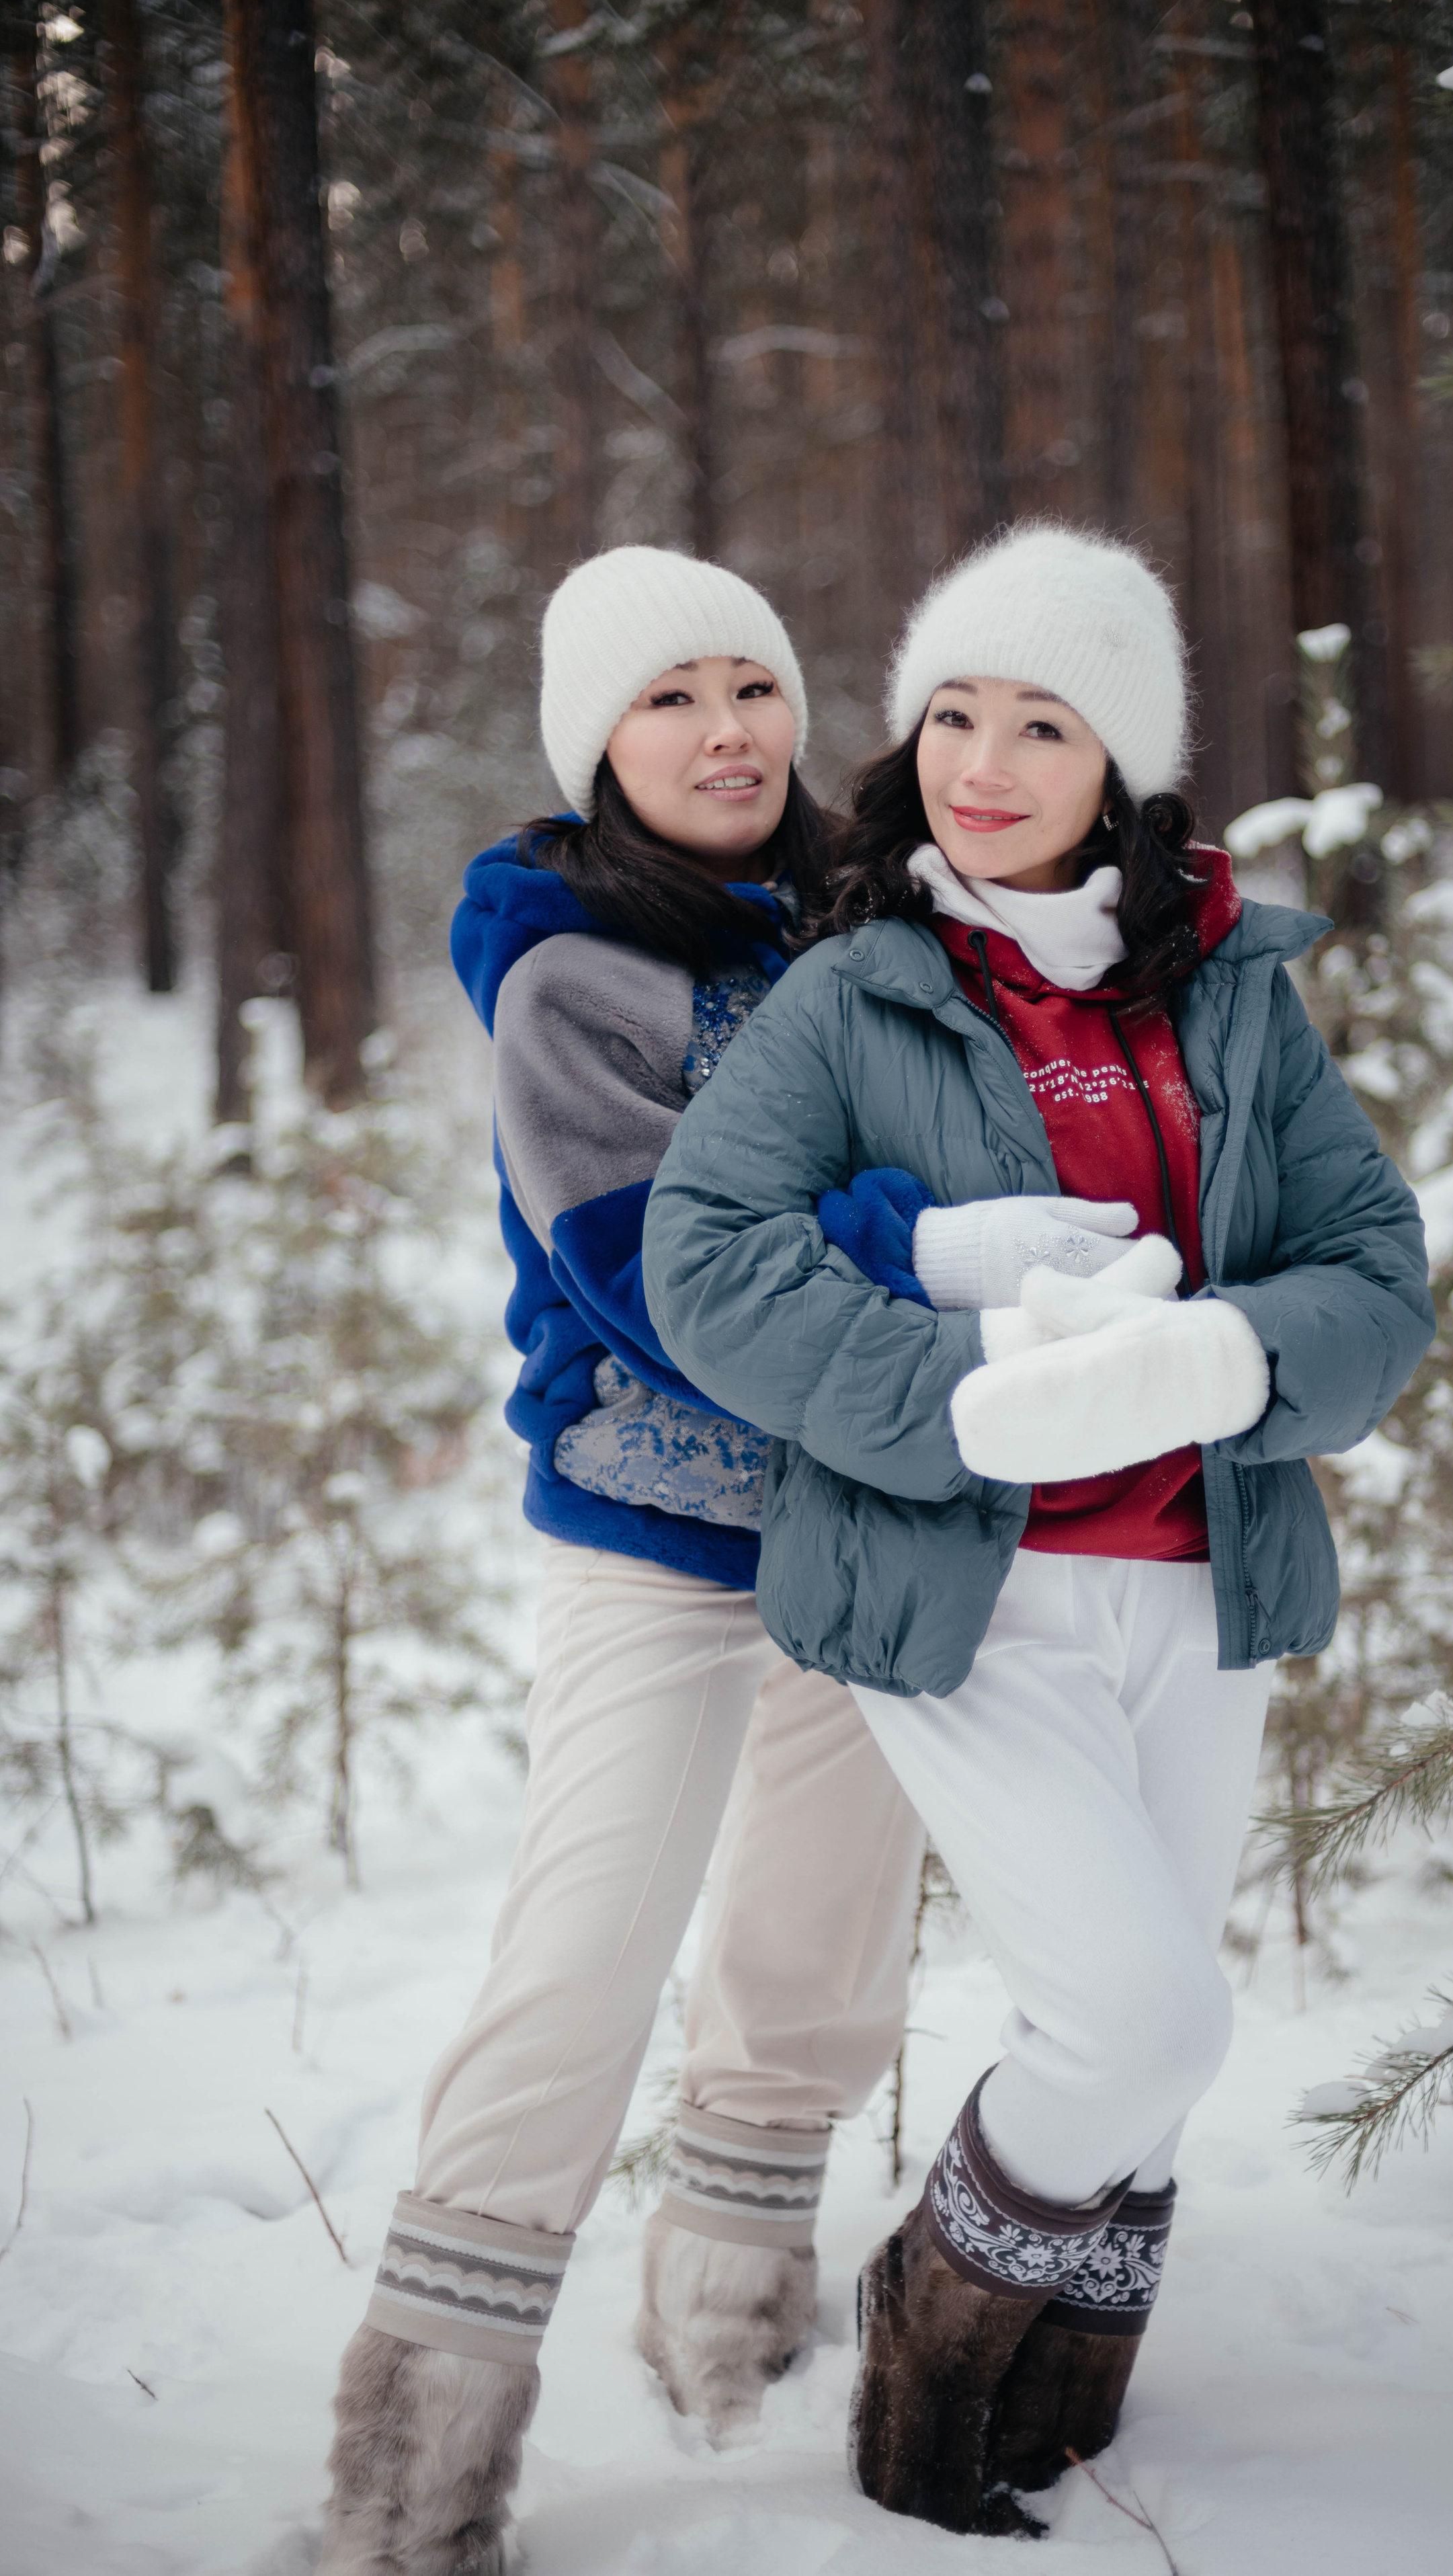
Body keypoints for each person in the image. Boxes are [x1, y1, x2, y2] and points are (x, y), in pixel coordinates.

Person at [642, 523, 1435, 2536]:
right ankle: (932, 2327)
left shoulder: (1236, 999)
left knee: (1150, 2053)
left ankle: (1062, 2400)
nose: (983, 765)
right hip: (956, 1592)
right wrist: (956, 1388)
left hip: (1203, 1581)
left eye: (1042, 724)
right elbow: (705, 1260)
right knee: (1145, 2010)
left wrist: (1235, 1364)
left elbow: (1375, 1270)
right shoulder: (854, 991)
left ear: (1125, 769)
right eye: (954, 716)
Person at [317, 547, 962, 2575]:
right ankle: (408, 2479)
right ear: (599, 742)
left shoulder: (873, 920)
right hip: (657, 1537)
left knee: (823, 1942)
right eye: (671, 698)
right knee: (580, 1961)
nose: (726, 731)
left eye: (751, 688)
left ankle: (736, 2324)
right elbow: (660, 1273)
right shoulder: (572, 967)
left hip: (863, 1513)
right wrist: (906, 1251)